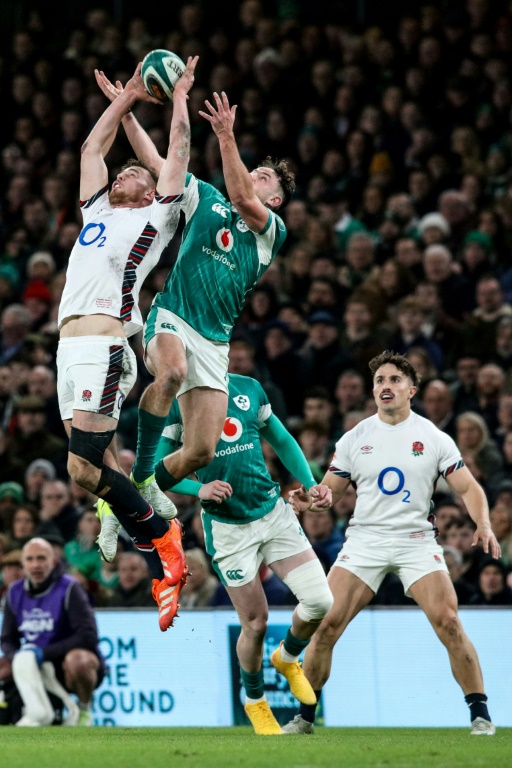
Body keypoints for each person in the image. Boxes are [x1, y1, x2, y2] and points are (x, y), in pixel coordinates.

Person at [95, 73, 295, 502]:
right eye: (254, 171)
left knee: (201, 451)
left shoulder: (271, 231)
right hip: (173, 316)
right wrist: (127, 111)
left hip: (214, 340)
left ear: (275, 200)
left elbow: (244, 198)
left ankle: (129, 499)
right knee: (171, 373)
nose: (252, 176)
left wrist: (226, 136)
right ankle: (144, 475)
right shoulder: (204, 196)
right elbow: (155, 163)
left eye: (263, 177)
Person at [99, 373, 333, 735]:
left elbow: (283, 440)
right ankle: (254, 700)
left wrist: (310, 482)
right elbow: (153, 474)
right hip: (227, 531)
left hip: (273, 513)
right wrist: (199, 487)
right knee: (255, 624)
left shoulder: (249, 388)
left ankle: (286, 658)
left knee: (319, 602)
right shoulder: (179, 404)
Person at [283, 351, 500, 736]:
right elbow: (328, 495)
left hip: (416, 541)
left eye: (394, 380)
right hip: (365, 540)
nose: (386, 386)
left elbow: (468, 486)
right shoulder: (355, 438)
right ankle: (304, 717)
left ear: (411, 390)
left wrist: (483, 522)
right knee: (326, 625)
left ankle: (480, 714)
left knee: (449, 622)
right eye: (380, 380)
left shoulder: (433, 437)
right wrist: (311, 501)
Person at [57, 58, 199, 616]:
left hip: (105, 347)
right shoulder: (96, 209)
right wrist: (126, 99)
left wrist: (179, 97)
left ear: (150, 192)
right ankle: (165, 554)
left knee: (80, 466)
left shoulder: (156, 216)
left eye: (133, 173)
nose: (122, 173)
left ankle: (162, 537)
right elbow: (92, 151)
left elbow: (179, 151)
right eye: (121, 174)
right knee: (94, 471)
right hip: (69, 348)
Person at [0, 537, 105, 726]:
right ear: (23, 564)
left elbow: (88, 636)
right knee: (2, 665)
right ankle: (18, 712)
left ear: (53, 561)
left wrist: (44, 653)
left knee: (79, 661)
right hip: (35, 662)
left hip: (65, 663)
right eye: (30, 559)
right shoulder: (14, 592)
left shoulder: (70, 588)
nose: (36, 565)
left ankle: (83, 710)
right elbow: (7, 638)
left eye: (41, 558)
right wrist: (17, 657)